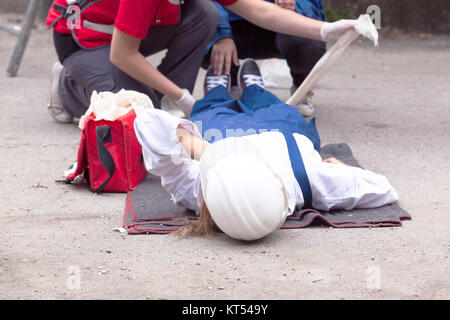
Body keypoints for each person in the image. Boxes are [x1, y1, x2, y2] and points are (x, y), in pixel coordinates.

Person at [133, 59, 399, 241]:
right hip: (282, 129)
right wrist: (344, 168)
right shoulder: (310, 177)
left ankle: (216, 90)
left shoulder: (199, 193)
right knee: (270, 104)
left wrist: (208, 152)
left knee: (211, 109)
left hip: (220, 132)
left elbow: (148, 122)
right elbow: (384, 188)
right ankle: (255, 88)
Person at [46, 0, 360, 123]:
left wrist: (326, 29)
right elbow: (122, 54)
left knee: (203, 13)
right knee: (136, 115)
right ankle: (68, 86)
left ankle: (163, 103)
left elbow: (259, 10)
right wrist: (186, 100)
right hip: (84, 41)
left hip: (130, 29)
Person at [204, 0, 326, 117]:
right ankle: (232, 81)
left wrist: (295, 6)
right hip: (232, 21)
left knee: (308, 38)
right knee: (199, 26)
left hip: (276, 21)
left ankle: (301, 86)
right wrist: (222, 34)